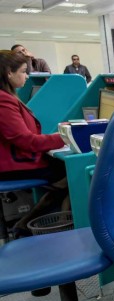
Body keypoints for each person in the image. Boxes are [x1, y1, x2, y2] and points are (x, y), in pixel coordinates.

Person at [0, 50, 69, 237]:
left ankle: (26, 225)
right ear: (8, 73)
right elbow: (25, 140)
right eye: (23, 71)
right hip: (12, 165)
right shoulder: (3, 100)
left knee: (64, 173)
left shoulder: (6, 96)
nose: (27, 76)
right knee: (72, 174)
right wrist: (65, 137)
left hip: (12, 159)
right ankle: (64, 229)